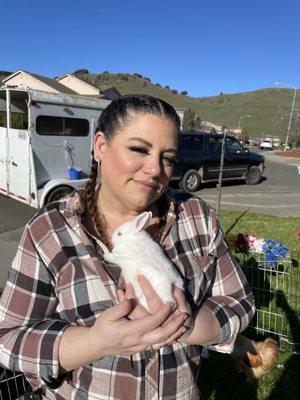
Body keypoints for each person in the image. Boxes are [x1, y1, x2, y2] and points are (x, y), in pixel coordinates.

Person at [0, 94, 255, 399]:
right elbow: (9, 339)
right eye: (138, 149)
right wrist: (95, 341)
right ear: (100, 147)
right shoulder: (49, 230)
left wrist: (191, 326)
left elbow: (240, 301)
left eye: (168, 157)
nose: (155, 169)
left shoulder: (196, 218)